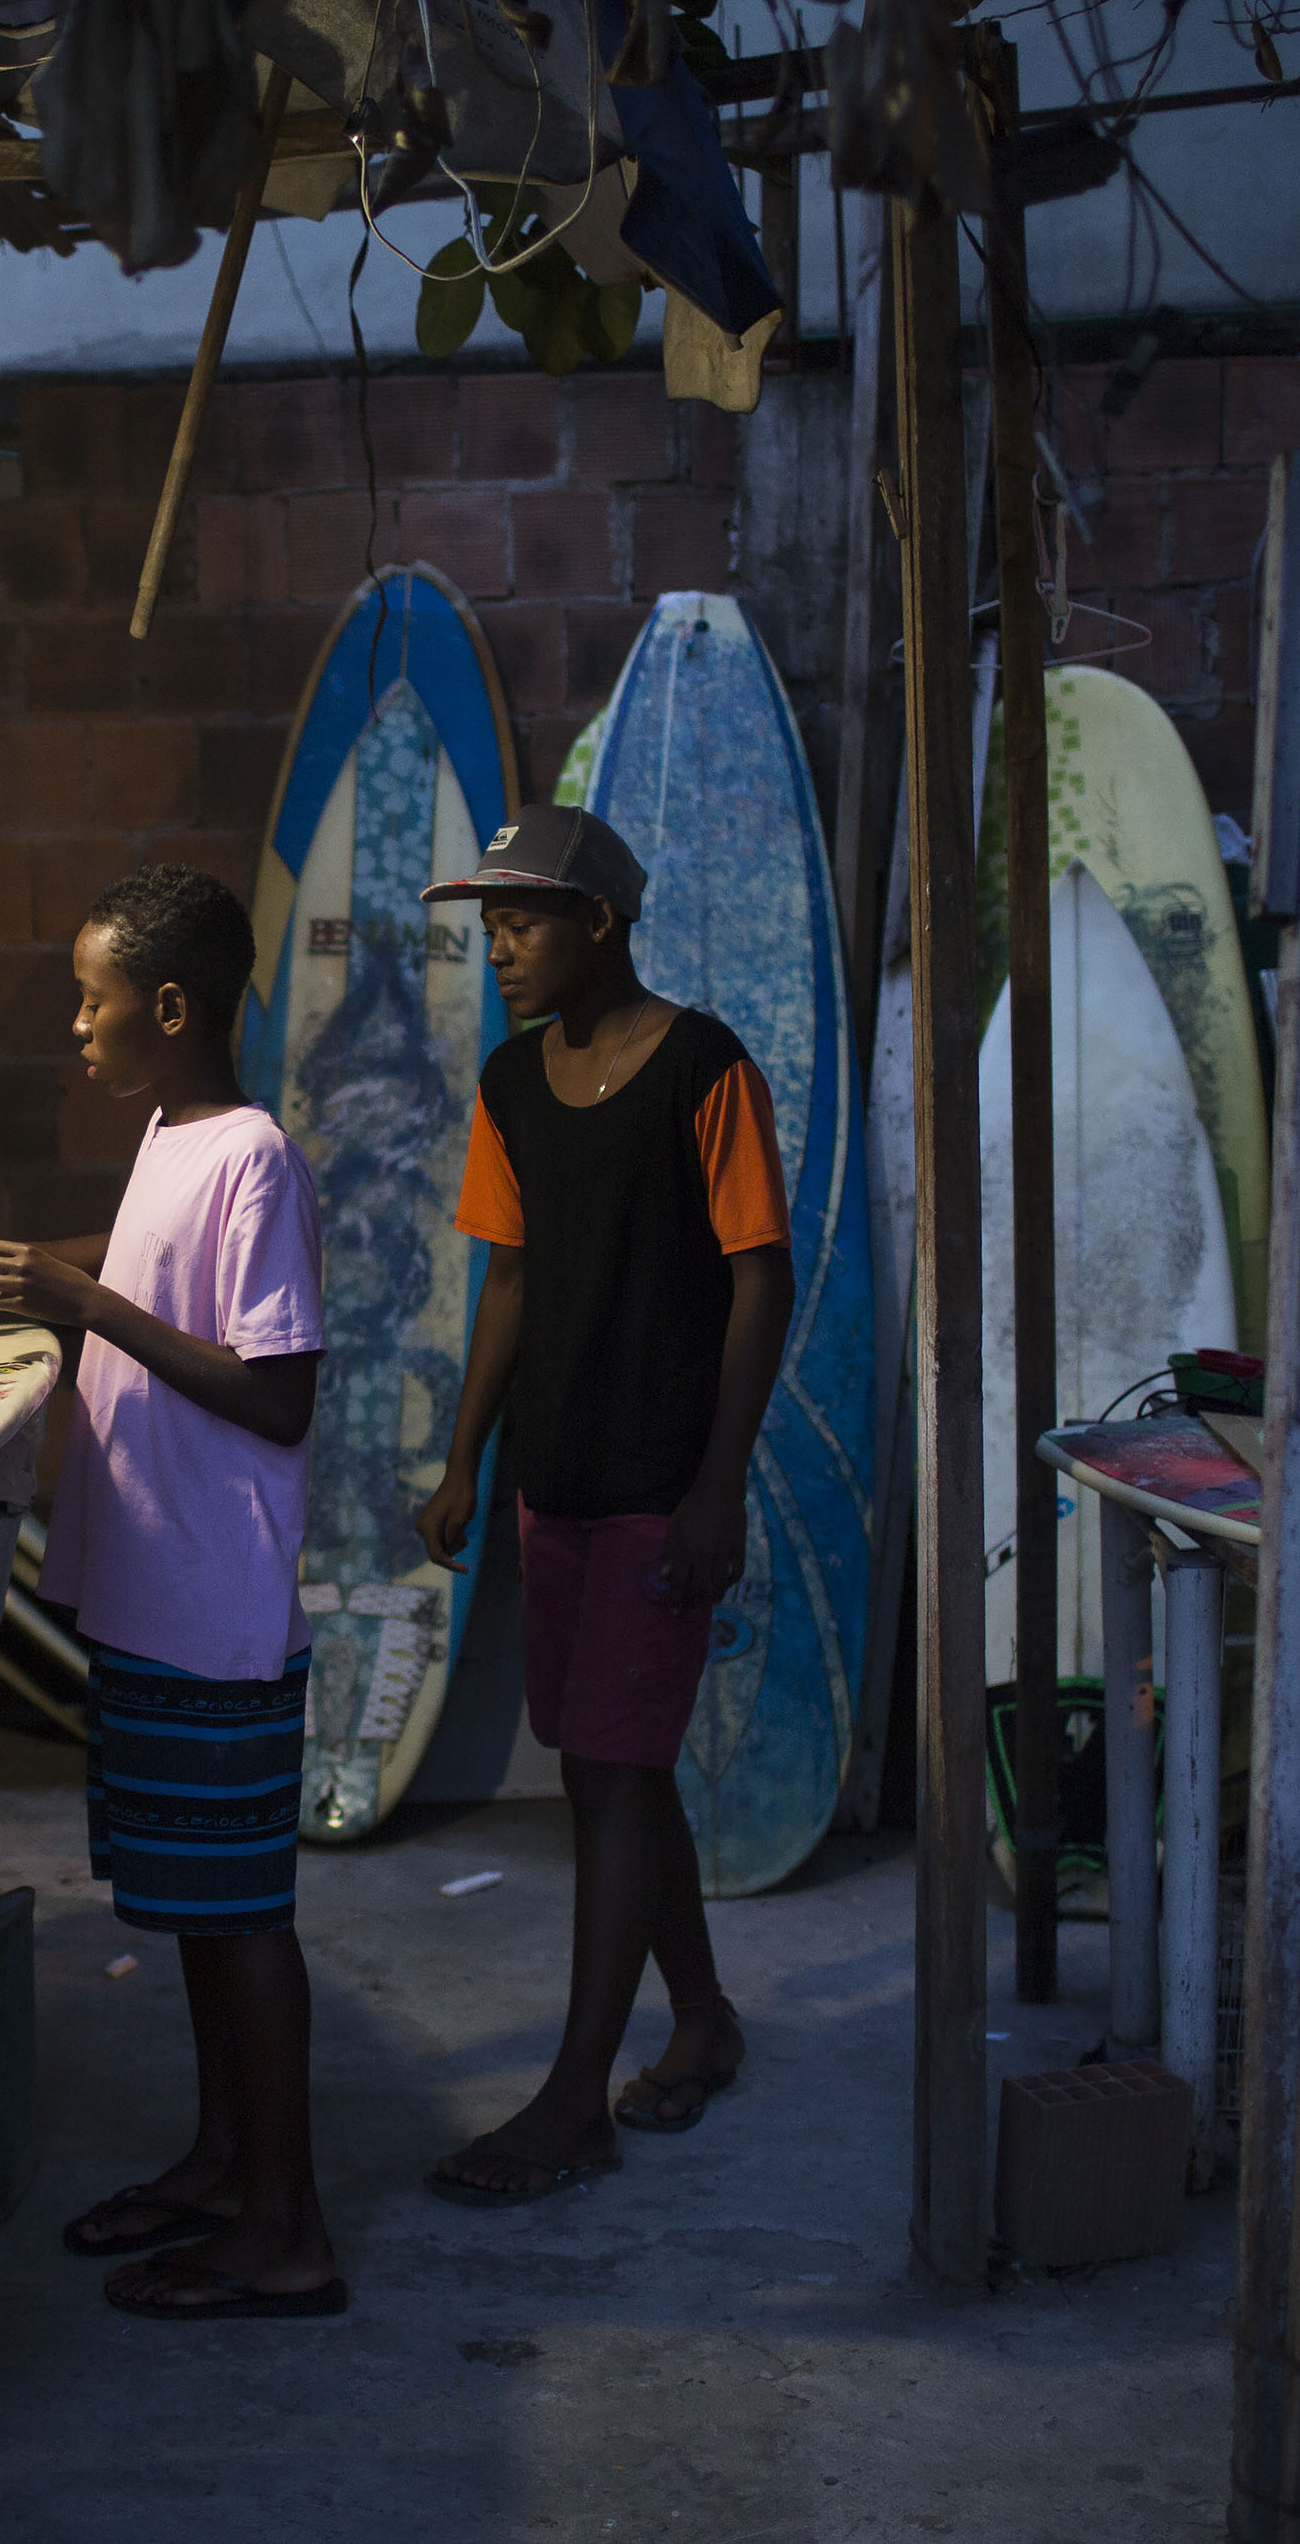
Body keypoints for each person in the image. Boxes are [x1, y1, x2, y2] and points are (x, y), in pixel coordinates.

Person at [0, 865, 340, 2321]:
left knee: (246, 1916)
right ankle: (222, 2159)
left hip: (217, 1605)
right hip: (157, 1585)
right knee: (199, 1914)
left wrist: (85, 1308)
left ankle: (288, 2225)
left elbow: (276, 1389)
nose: (74, 1024)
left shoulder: (255, 1152)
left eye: (91, 998)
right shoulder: (173, 1130)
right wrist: (20, 1264)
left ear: (168, 1005)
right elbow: (149, 1269)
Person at [410, 804, 793, 2204]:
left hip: (658, 1482)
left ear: (601, 922)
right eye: (489, 924)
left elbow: (762, 1273)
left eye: (522, 920)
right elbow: (505, 1278)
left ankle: (576, 2095)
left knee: (618, 1769)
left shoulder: (705, 1065)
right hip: (554, 1475)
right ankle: (702, 2020)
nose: (499, 946)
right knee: (599, 1764)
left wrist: (720, 1479)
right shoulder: (511, 1083)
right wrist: (465, 1459)